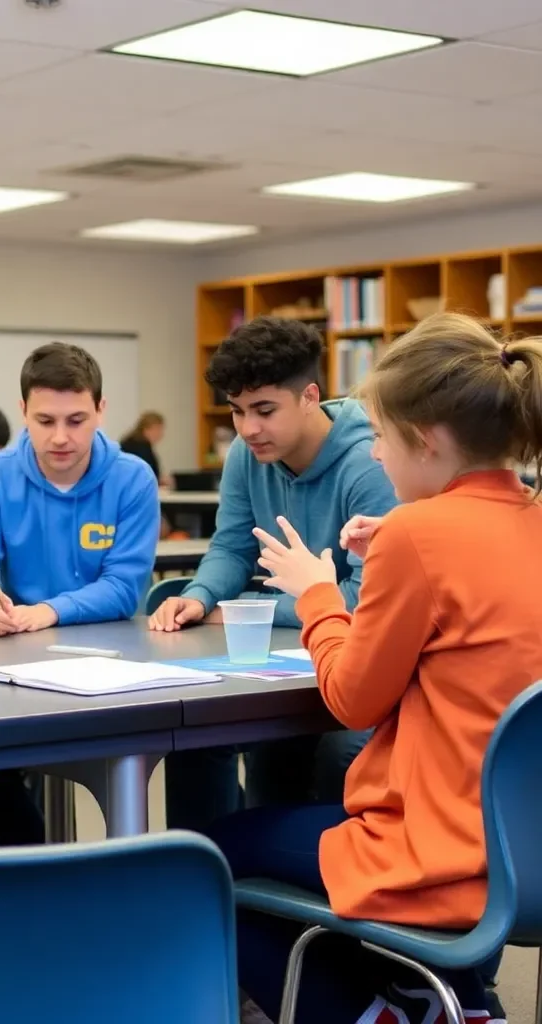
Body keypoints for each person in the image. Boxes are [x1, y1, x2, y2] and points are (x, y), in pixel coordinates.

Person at [208, 312, 541, 1024]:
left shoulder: (419, 536)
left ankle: (381, 1012)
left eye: (383, 438)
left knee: (205, 856)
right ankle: (441, 999)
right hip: (528, 848)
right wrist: (402, 536)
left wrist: (318, 592)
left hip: (444, 849)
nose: (377, 459)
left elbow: (352, 700)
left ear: (424, 440)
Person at [150, 317, 398, 831]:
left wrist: (249, 610)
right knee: (198, 735)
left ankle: (324, 885)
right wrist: (200, 596)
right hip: (288, 657)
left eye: (264, 410)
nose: (247, 429)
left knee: (339, 753)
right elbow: (232, 546)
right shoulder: (246, 455)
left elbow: (362, 597)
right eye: (237, 411)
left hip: (363, 666)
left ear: (309, 396)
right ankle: (220, 882)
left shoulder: (369, 462)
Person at [0, 341, 160, 634]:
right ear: (23, 412)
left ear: (100, 410)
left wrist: (49, 611)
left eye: (76, 421)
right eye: (45, 421)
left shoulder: (134, 480)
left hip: (111, 646)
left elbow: (123, 586)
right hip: (18, 640)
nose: (60, 437)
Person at [119, 410, 172, 488]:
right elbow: (145, 474)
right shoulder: (140, 446)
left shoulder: (133, 442)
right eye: (158, 429)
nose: (161, 434)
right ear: (147, 429)